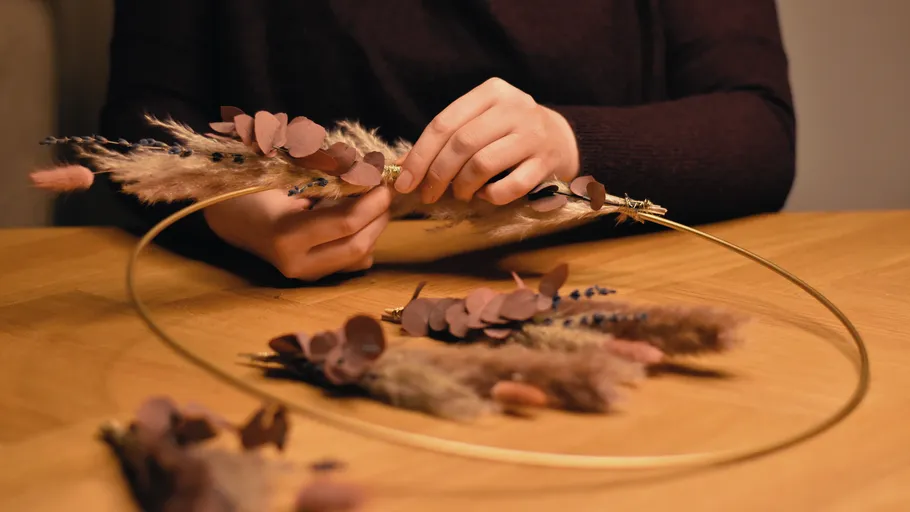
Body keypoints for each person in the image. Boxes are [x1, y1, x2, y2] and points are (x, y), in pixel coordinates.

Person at [95, 0, 796, 282]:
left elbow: (760, 128)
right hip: (279, 302)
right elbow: (139, 120)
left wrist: (570, 142)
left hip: (610, 285)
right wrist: (227, 206)